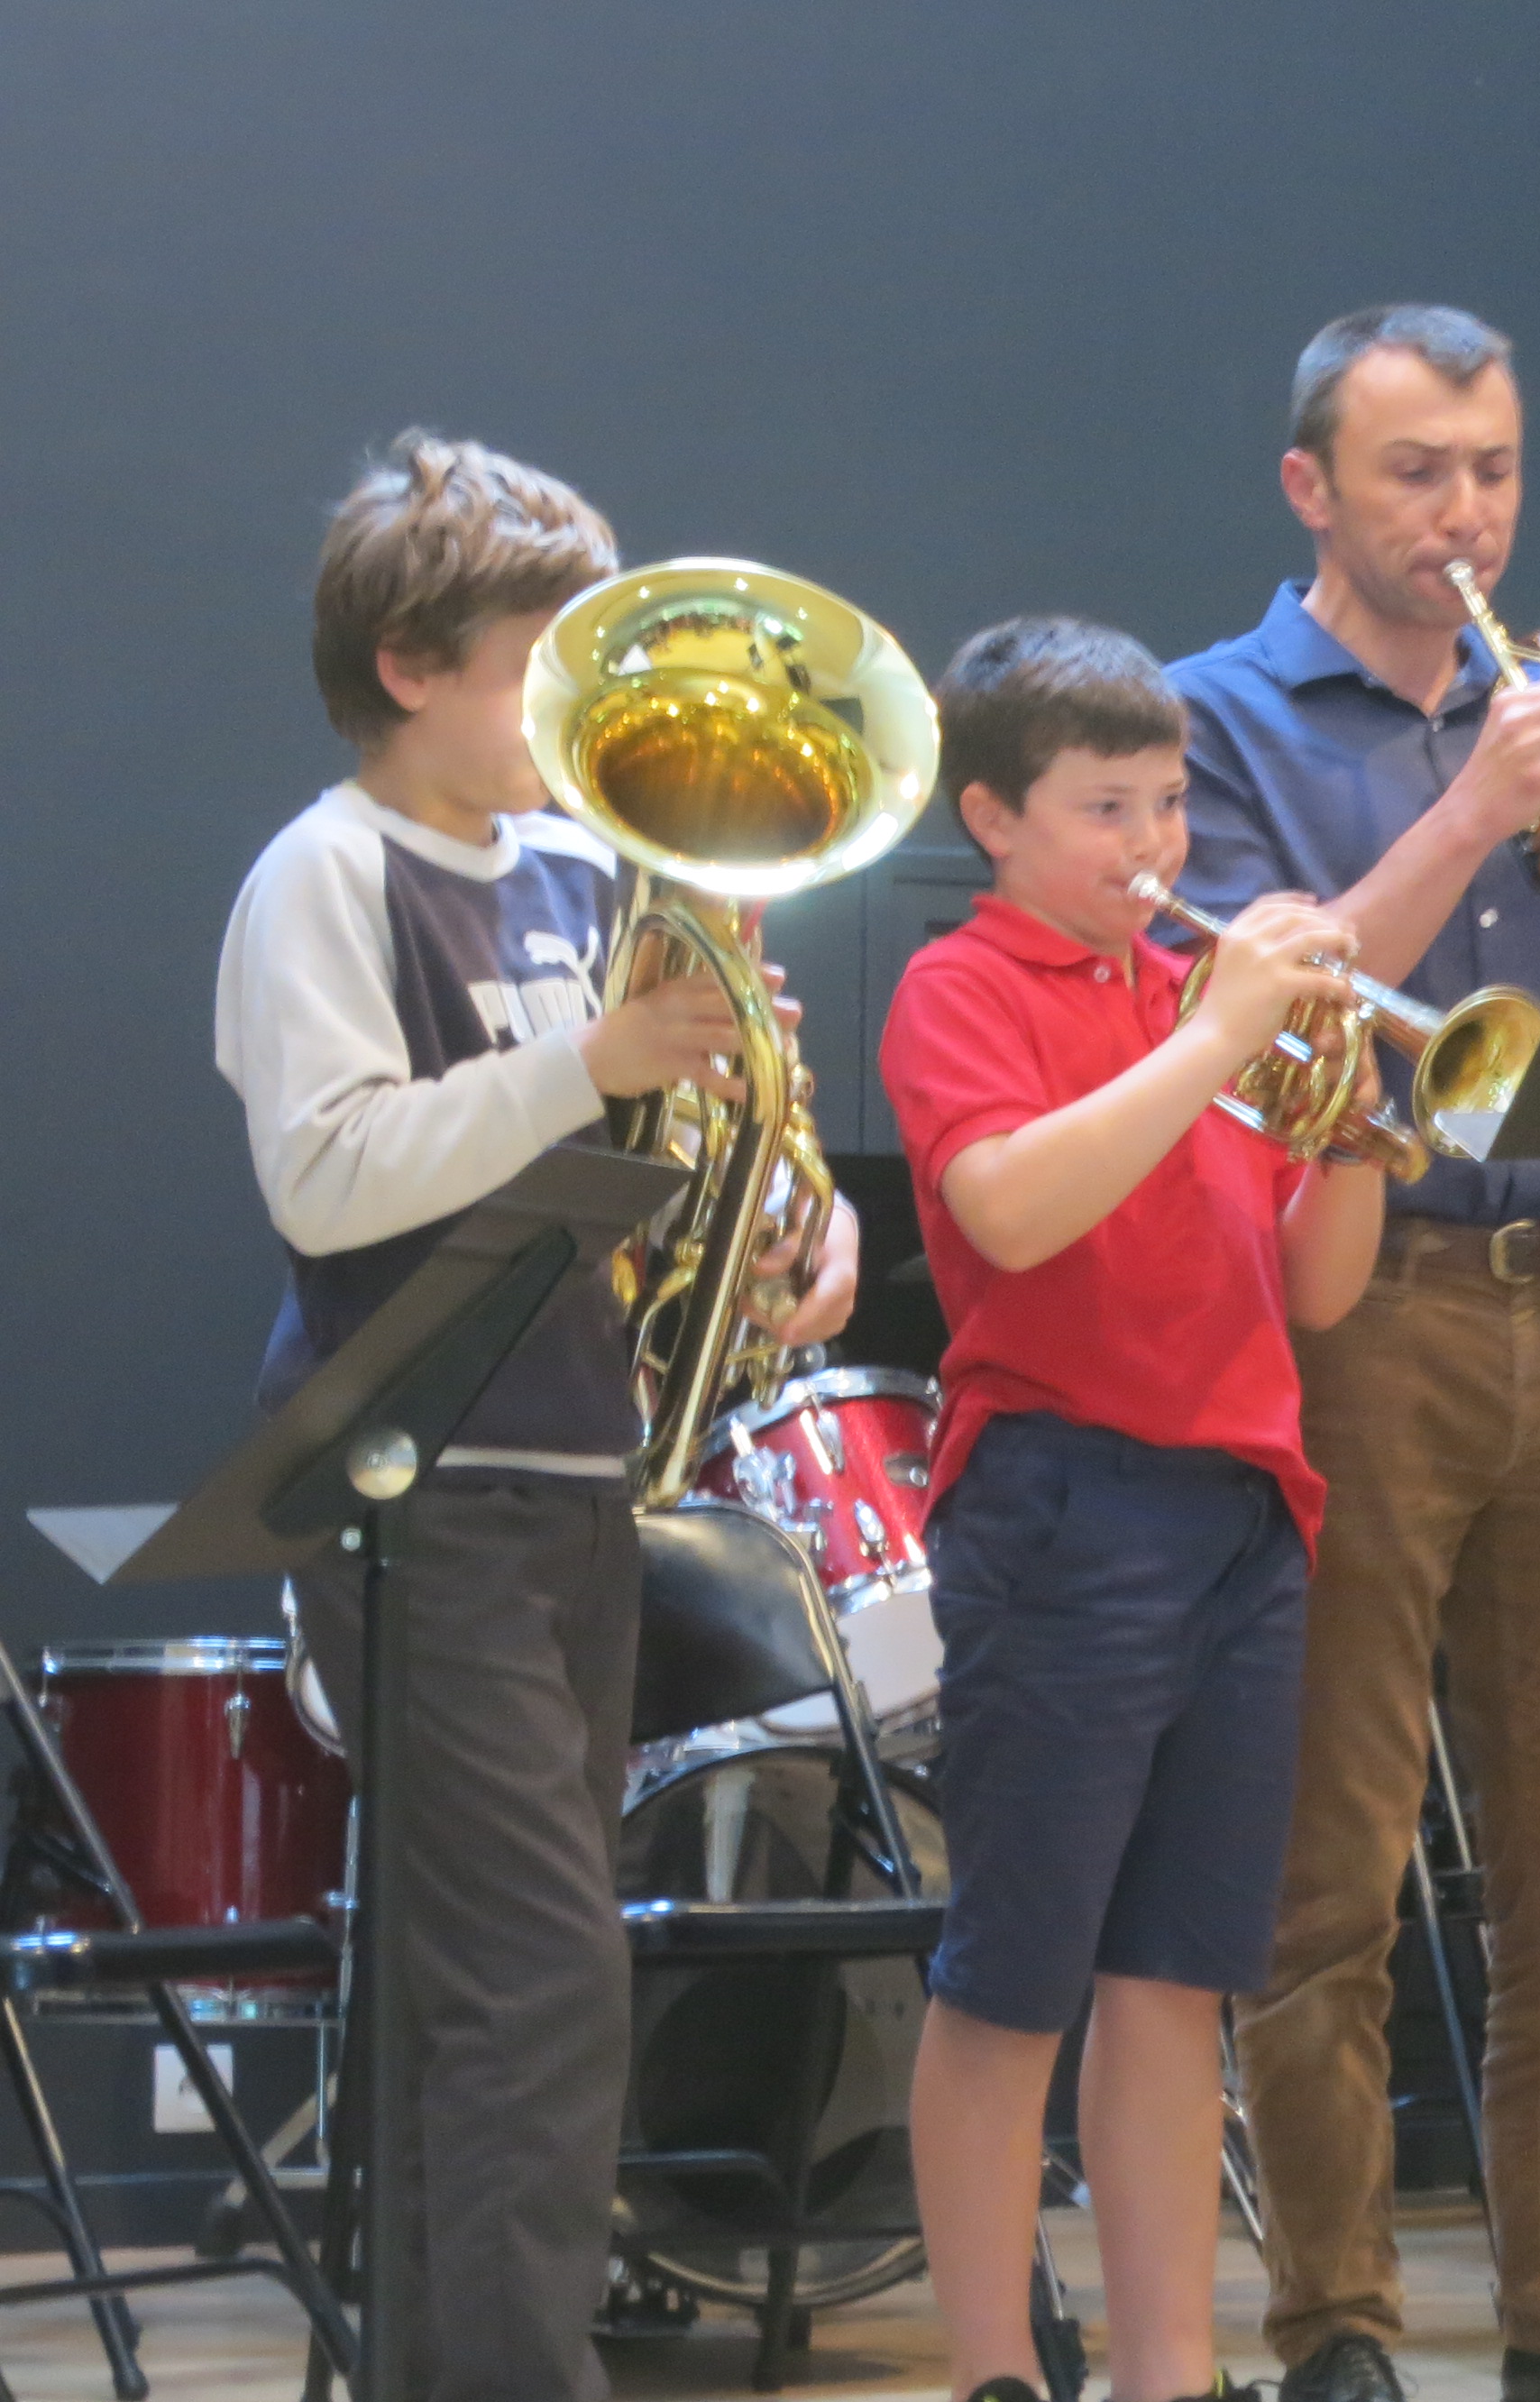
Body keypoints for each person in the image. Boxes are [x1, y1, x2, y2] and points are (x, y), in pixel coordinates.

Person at [220, 430, 859, 2402]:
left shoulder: (584, 870)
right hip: (416, 1491)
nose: (574, 723)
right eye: (533, 673)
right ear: (410, 667)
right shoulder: (324, 874)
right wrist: (597, 1060)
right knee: (535, 1985)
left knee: (492, 1997)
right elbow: (327, 1174)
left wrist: (784, 1196)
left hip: (577, 1476)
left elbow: (658, 1147)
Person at [1170, 301, 1540, 2402]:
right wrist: (1477, 809)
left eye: (1491, 469)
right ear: (1309, 487)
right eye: (1416, 473)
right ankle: (1336, 2329)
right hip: (1357, 1310)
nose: (1462, 513)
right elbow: (1269, 1027)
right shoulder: (1211, 721)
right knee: (1328, 1870)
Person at [879, 617, 1386, 2402]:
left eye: (1169, 803)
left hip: (1243, 1510)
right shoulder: (963, 987)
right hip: (1063, 1507)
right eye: (1107, 809)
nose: (1154, 846)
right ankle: (993, 2373)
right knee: (1016, 1975)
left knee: (1176, 1978)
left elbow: (1317, 1290)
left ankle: (1169, 2372)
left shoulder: (1192, 1001)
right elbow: (1014, 1210)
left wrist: (1353, 1129)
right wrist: (1214, 1031)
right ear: (994, 819)